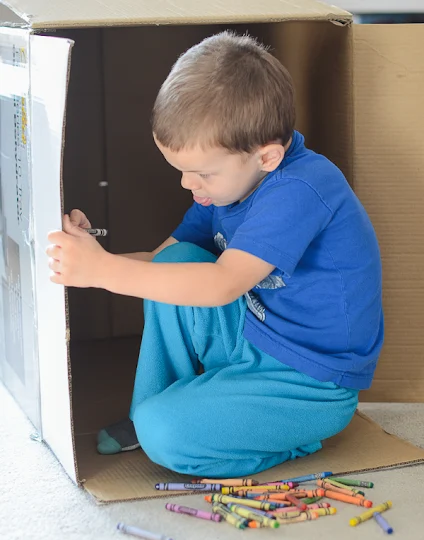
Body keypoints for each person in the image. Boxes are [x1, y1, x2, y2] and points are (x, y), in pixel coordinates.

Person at [46, 32, 384, 478]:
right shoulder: (230, 184)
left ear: (267, 156)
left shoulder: (301, 190)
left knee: (164, 433)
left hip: (309, 383)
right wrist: (90, 258)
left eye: (201, 172)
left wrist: (101, 271)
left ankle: (290, 438)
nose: (189, 185)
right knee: (178, 261)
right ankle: (154, 408)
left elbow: (222, 283)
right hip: (253, 335)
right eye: (182, 171)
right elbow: (161, 261)